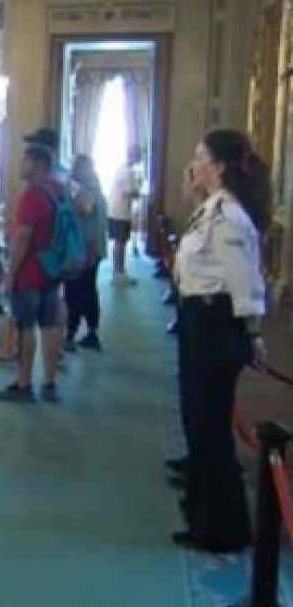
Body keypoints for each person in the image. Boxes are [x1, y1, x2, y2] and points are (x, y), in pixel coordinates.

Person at [170, 128, 269, 554]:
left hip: (216, 324)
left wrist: (254, 333)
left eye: (200, 157)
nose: (193, 165)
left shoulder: (229, 217)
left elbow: (245, 282)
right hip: (199, 320)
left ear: (220, 167)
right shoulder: (211, 209)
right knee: (199, 421)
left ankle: (224, 527)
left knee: (211, 426)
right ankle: (203, 513)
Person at [0, 129, 66, 403]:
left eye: (25, 160)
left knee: (26, 327)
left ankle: (24, 382)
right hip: (52, 267)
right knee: (50, 325)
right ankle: (50, 381)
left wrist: (10, 274)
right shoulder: (58, 189)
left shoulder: (31, 196)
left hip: (30, 271)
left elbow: (22, 239)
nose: (20, 164)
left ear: (38, 164)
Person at [64, 155, 108, 352]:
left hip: (85, 249)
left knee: (76, 291)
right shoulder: (94, 186)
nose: (72, 171)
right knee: (87, 290)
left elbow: (85, 209)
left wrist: (70, 199)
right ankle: (90, 331)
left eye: (75, 167)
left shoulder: (89, 189)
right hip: (88, 248)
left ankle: (71, 334)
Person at [108, 145, 143, 285]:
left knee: (119, 242)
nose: (140, 157)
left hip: (116, 211)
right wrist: (138, 192)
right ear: (132, 155)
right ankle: (119, 273)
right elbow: (130, 193)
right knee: (120, 243)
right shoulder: (127, 172)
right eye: (138, 154)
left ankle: (118, 271)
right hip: (120, 212)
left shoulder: (123, 168)